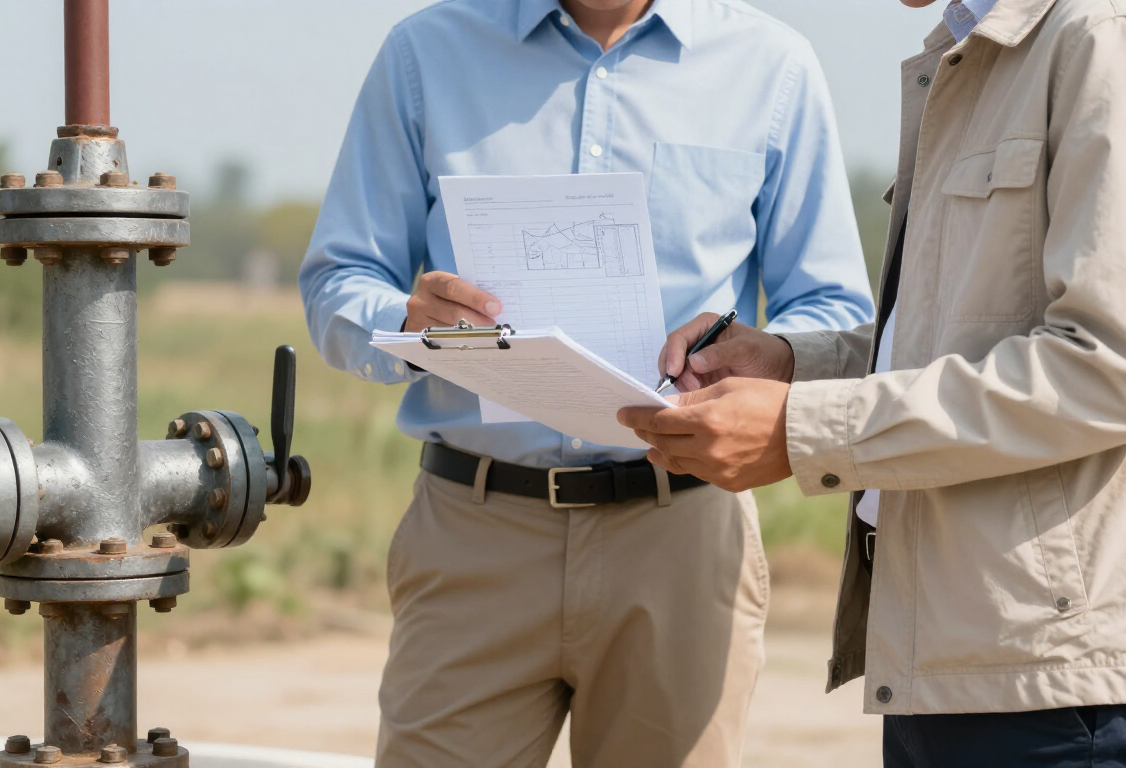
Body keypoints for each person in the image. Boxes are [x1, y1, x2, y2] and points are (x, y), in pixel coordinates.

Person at [620, 0, 1126, 765]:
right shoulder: (987, 51)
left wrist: (804, 428)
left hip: (1070, 689)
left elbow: (1111, 368)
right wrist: (796, 365)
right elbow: (964, 330)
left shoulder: (1125, 38)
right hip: (972, 653)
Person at [299, 0, 874, 765]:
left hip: (682, 534)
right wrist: (413, 325)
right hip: (475, 534)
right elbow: (339, 277)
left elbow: (834, 308)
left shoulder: (773, 65)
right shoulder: (424, 55)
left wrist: (762, 353)